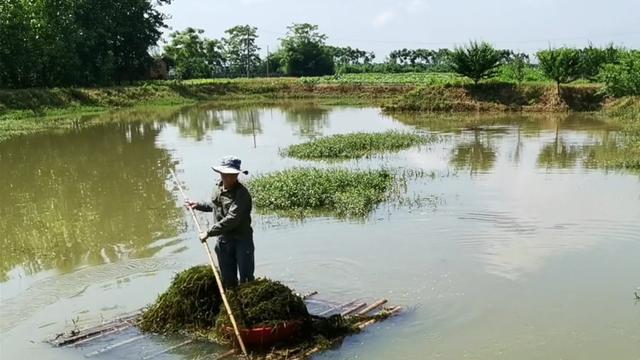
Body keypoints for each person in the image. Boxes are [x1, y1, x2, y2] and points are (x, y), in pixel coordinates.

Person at [186, 156, 254, 289]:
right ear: (221, 173)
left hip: (242, 241)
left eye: (232, 175)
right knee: (228, 281)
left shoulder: (242, 195)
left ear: (237, 175)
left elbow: (232, 219)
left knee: (246, 281)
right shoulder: (217, 188)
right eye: (226, 174)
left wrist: (209, 232)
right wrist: (198, 205)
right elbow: (215, 206)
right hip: (223, 241)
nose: (229, 178)